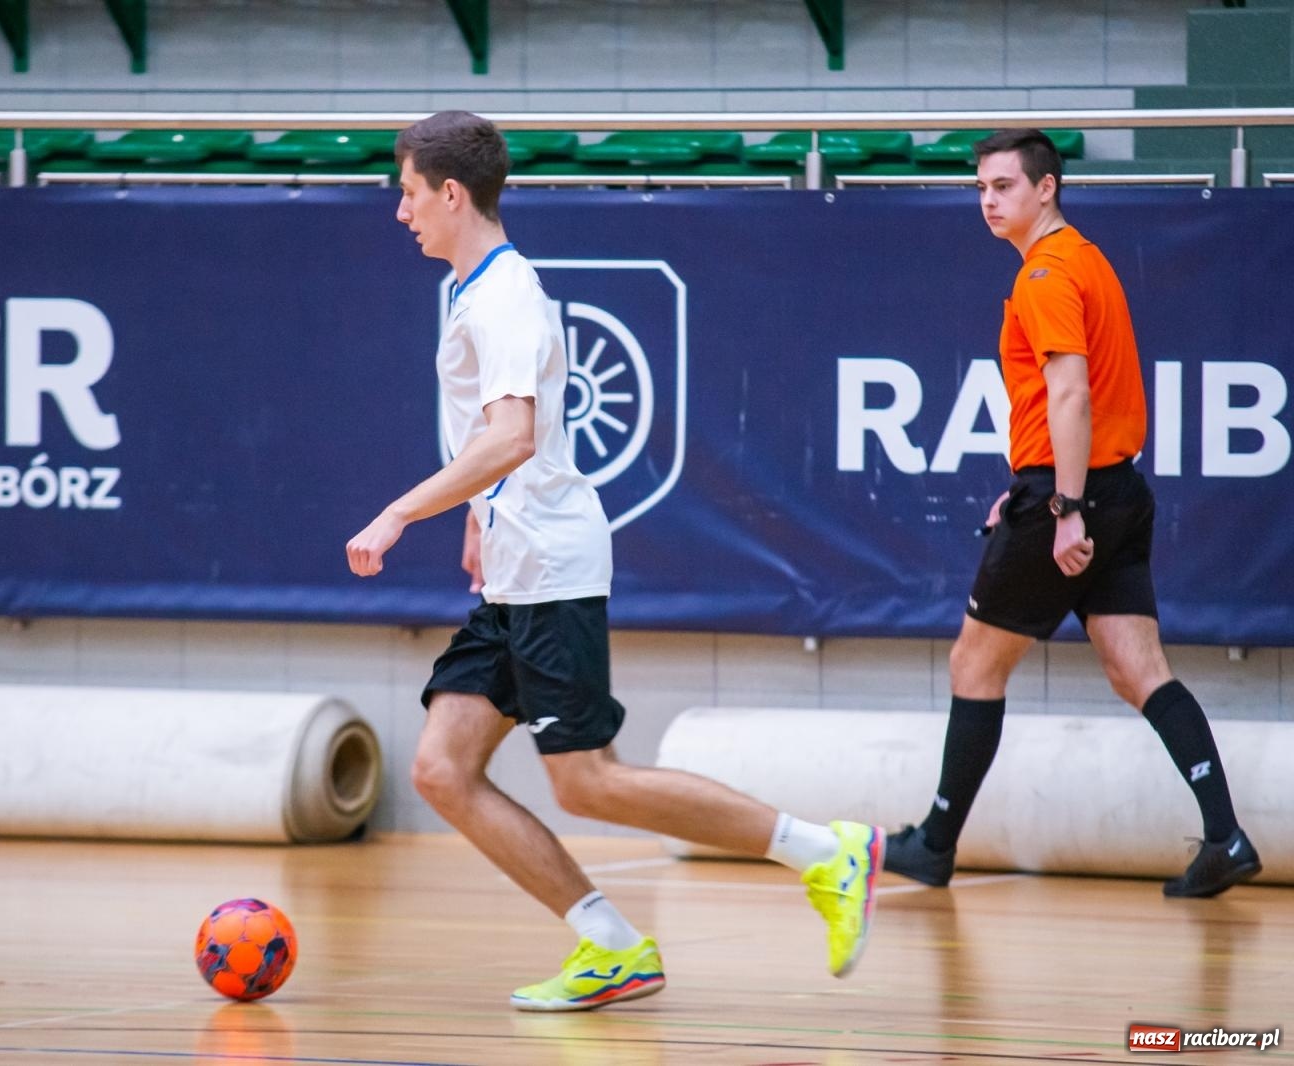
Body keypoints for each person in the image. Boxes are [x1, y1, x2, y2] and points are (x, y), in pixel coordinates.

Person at [346, 110, 884, 1010]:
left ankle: (825, 852)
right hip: (515, 565)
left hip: (552, 568)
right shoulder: (469, 290)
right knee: (441, 768)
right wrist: (478, 514)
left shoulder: (507, 293)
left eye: (407, 194)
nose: (400, 213)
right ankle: (612, 945)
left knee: (588, 781)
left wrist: (401, 511)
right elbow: (502, 434)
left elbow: (513, 435)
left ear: (449, 192)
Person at [884, 129, 1261, 898]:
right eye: (981, 187)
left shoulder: (1048, 275)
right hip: (1117, 490)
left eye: (1005, 187)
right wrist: (1036, 480)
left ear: (1046, 187)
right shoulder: (1086, 259)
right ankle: (1225, 836)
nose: (989, 201)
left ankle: (934, 843)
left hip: (1078, 498)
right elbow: (1064, 404)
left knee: (973, 663)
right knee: (1139, 668)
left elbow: (1071, 393)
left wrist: (1060, 505)